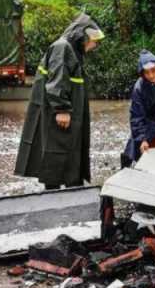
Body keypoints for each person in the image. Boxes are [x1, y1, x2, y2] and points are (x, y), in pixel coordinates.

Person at [15, 14, 104, 190]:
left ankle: (71, 185)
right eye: (94, 41)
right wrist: (62, 109)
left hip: (68, 112)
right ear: (82, 35)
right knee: (56, 149)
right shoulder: (62, 48)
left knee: (69, 149)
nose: (95, 45)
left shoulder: (70, 49)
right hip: (58, 113)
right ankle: (54, 190)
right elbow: (57, 80)